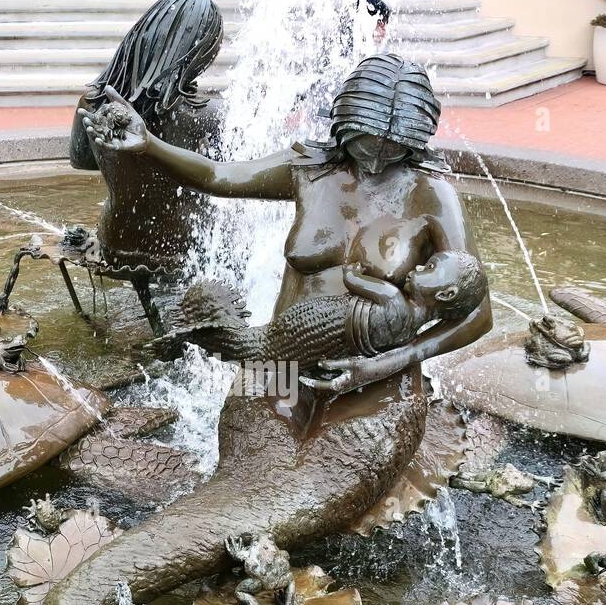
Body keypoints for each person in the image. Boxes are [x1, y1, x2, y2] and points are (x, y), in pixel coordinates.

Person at [85, 50, 490, 404]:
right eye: (366, 142)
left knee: (345, 474)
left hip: (377, 374)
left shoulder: (433, 195)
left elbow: (478, 313)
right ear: (345, 123)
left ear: (416, 140)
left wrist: (391, 363)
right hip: (278, 363)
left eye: (394, 148)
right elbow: (217, 176)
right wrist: (149, 145)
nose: (376, 160)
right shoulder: (309, 170)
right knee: (250, 459)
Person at [68, 0, 224, 284]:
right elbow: (228, 181)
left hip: (116, 245)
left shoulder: (92, 101)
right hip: (186, 252)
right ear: (200, 51)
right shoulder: (210, 114)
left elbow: (82, 160)